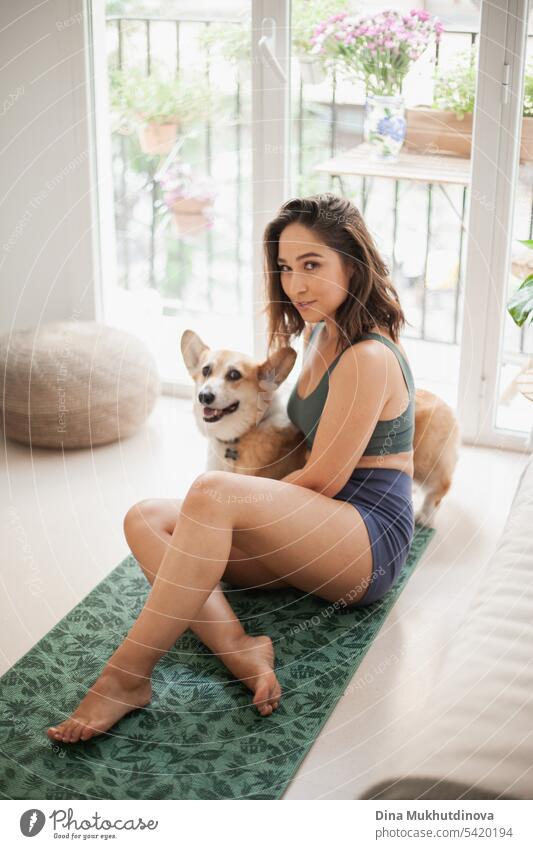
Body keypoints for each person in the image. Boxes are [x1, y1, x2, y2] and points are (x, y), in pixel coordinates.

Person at [46, 192, 415, 744]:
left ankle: (125, 677)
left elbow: (322, 482)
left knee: (213, 496)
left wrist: (234, 512)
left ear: (352, 264)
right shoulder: (317, 331)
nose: (296, 284)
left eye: (312, 265)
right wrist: (231, 517)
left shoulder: (367, 355)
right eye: (286, 268)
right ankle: (239, 646)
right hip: (318, 526)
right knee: (145, 518)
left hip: (364, 541)